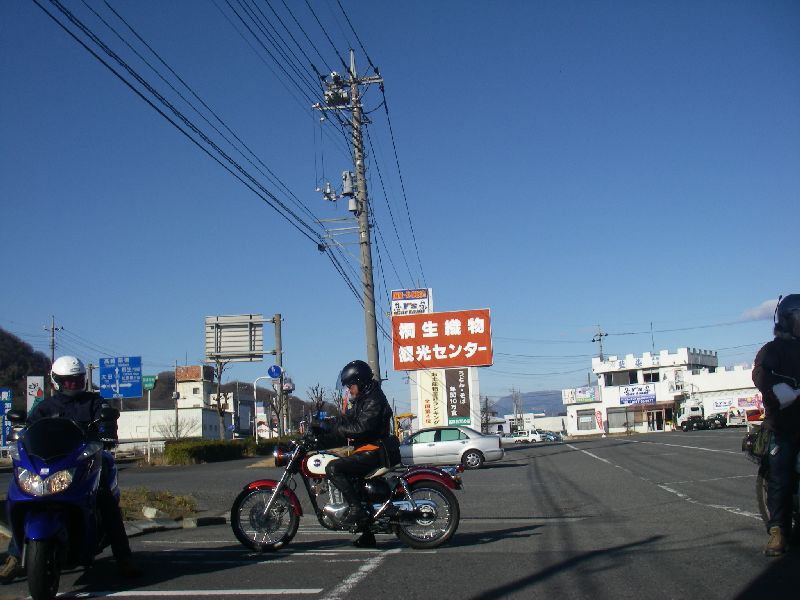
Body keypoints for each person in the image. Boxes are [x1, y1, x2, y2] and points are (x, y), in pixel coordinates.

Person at [0, 356, 141, 583]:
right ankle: (14, 557)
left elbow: (107, 422)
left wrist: (107, 431)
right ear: (56, 381)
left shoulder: (94, 403)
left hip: (85, 462)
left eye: (77, 381)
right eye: (68, 381)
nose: (73, 385)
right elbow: (28, 431)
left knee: (105, 498)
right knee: (18, 494)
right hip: (51, 464)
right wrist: (18, 434)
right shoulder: (45, 407)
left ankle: (123, 557)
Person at [315, 360, 393, 548]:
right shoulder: (364, 399)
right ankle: (367, 534)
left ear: (361, 381)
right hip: (368, 449)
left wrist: (335, 429)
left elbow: (360, 428)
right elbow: (345, 420)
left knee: (333, 468)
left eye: (351, 385)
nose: (349, 390)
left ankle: (356, 509)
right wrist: (323, 427)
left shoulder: (373, 400)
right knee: (356, 485)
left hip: (374, 450)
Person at [752, 294, 800, 557]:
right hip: (782, 426)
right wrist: (778, 387)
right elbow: (760, 374)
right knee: (780, 476)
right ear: (787, 320)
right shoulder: (772, 350)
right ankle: (778, 530)